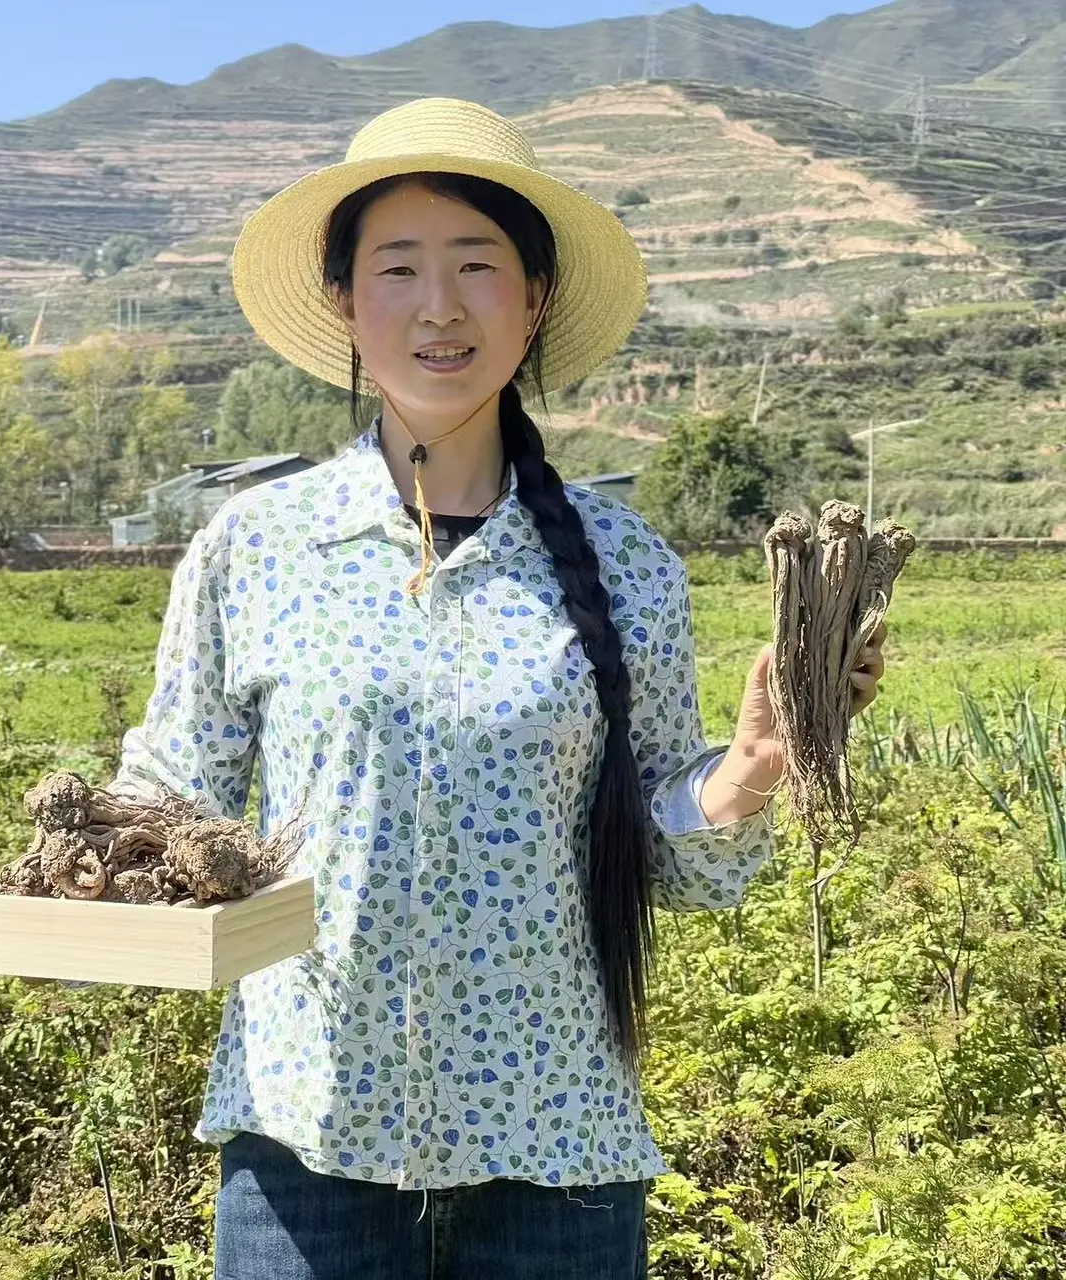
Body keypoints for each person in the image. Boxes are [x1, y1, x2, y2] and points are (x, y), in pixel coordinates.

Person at [109, 96, 887, 1280]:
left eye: (477, 267)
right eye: (398, 268)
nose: (438, 306)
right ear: (343, 304)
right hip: (306, 1135)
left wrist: (750, 765)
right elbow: (169, 797)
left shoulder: (624, 563)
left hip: (554, 1145)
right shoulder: (252, 546)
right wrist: (79, 859)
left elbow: (669, 856)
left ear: (531, 301)